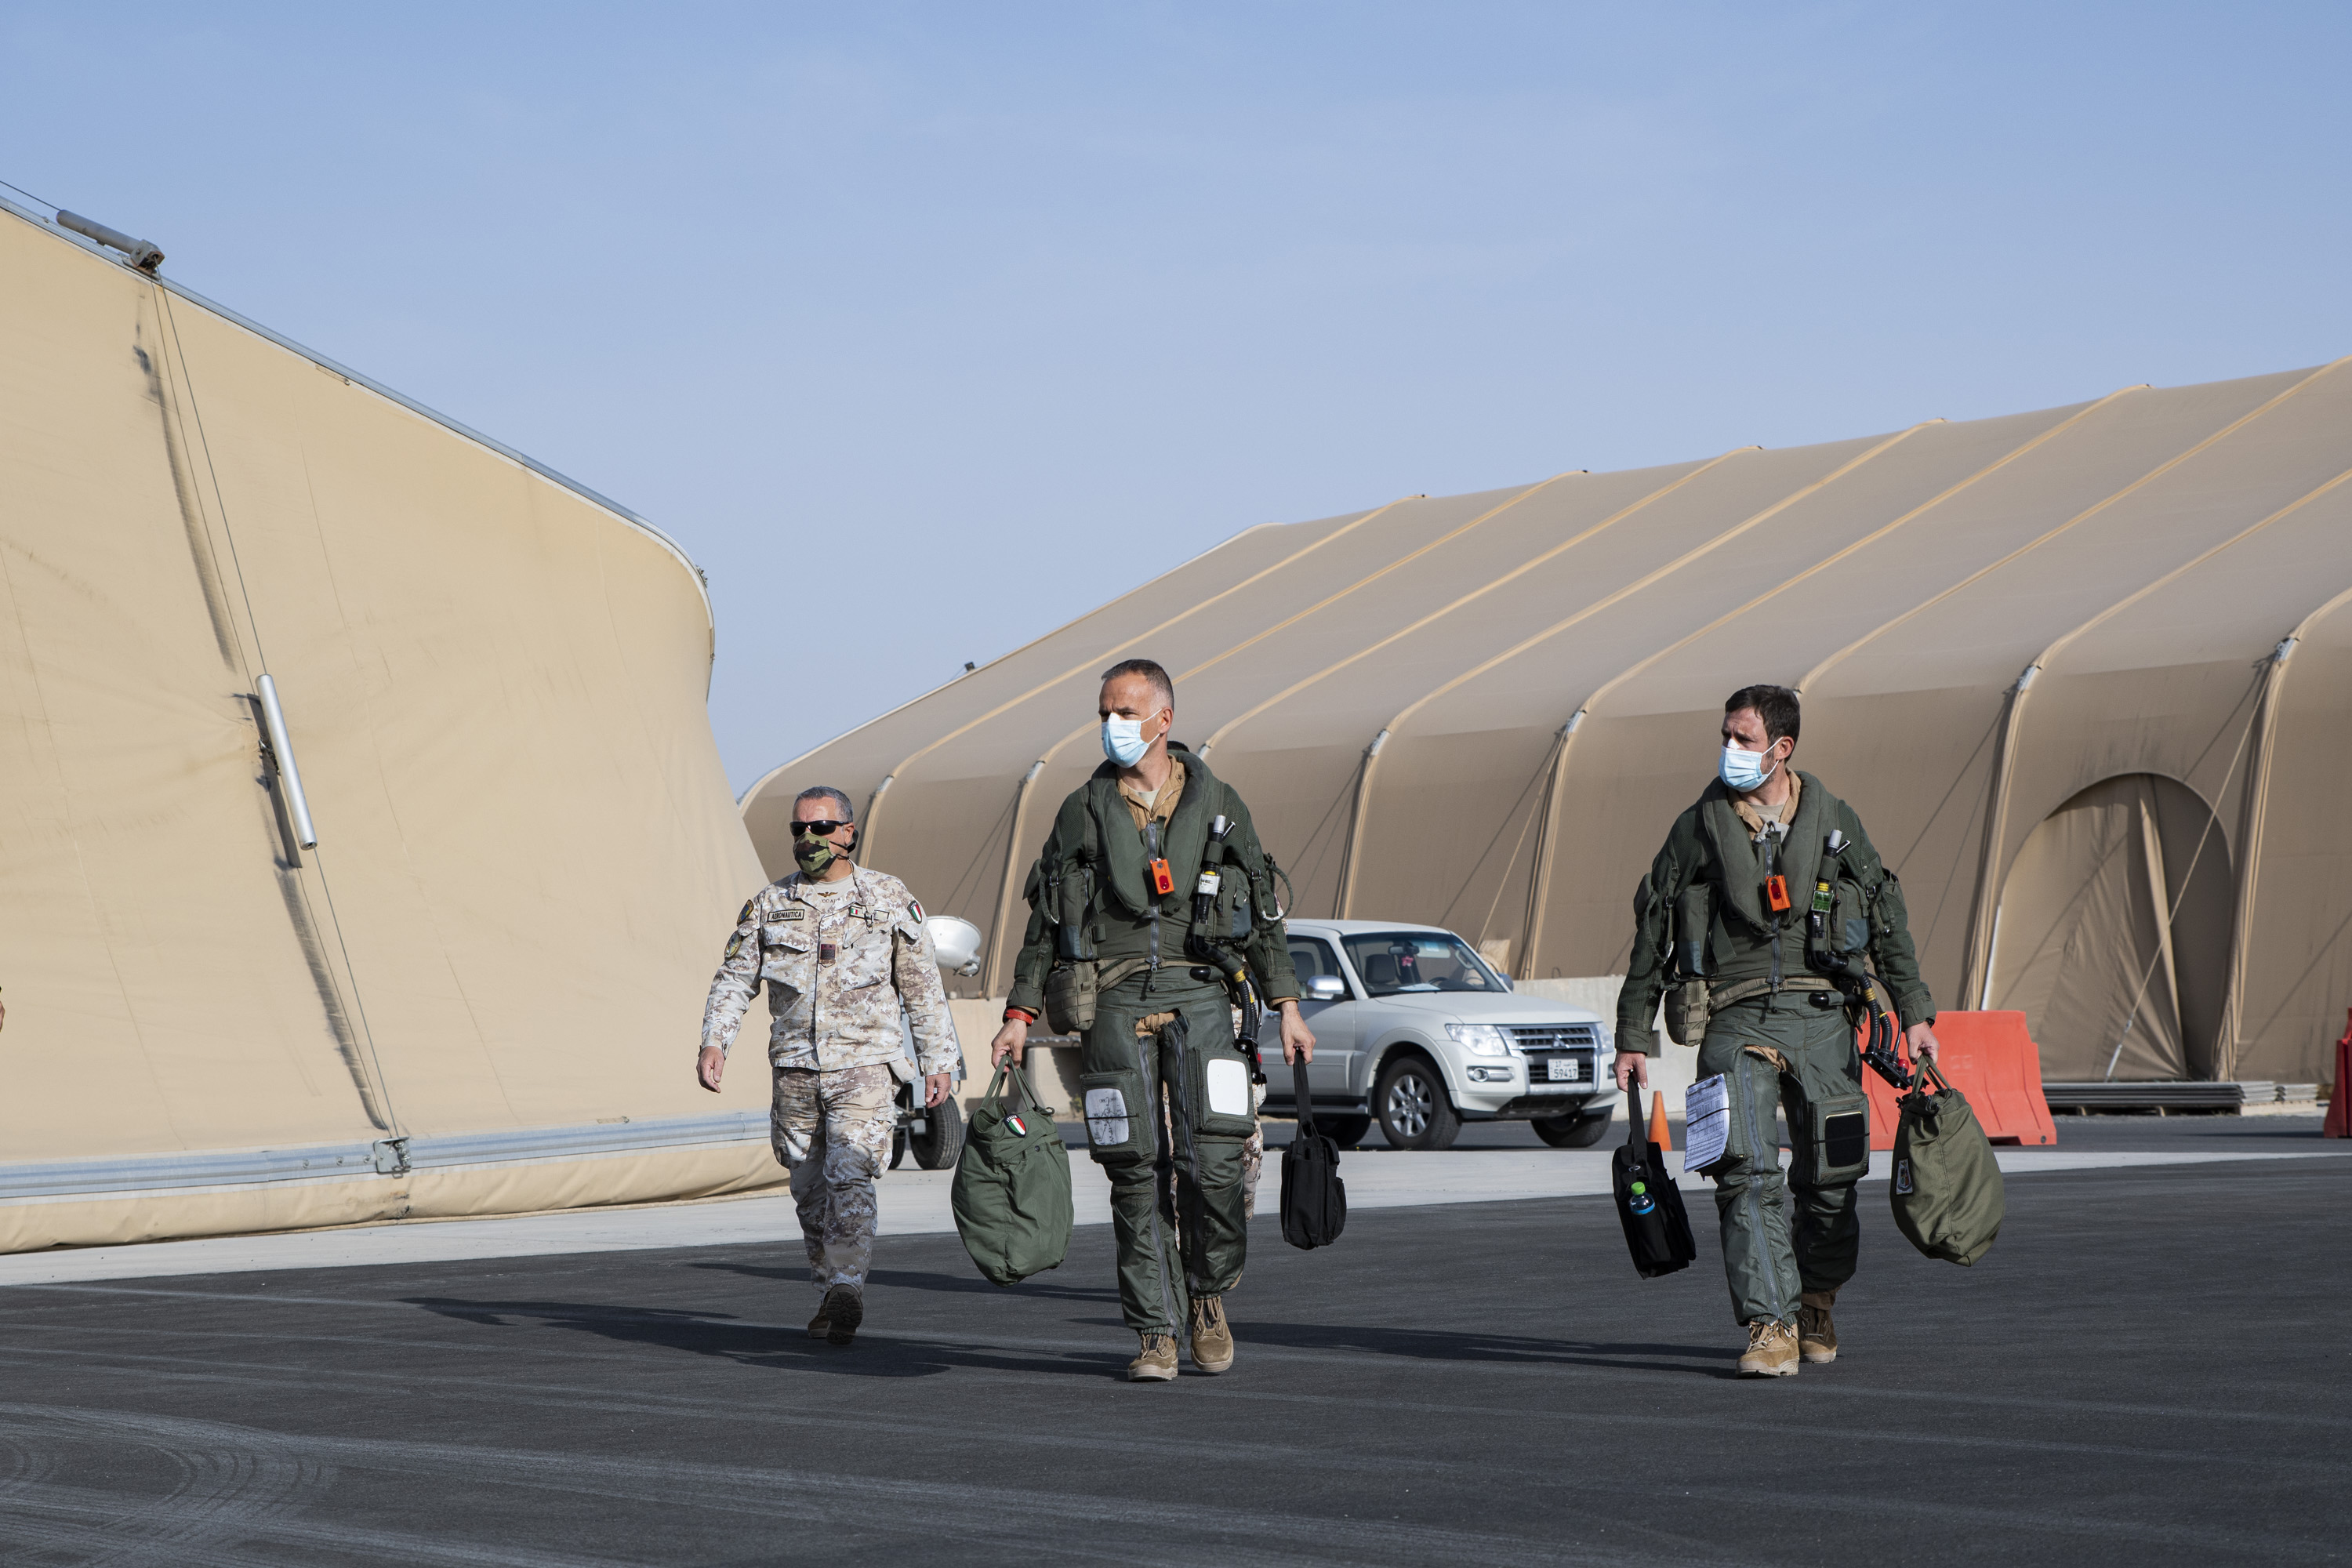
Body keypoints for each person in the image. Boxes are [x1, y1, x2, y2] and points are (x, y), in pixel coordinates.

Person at [991, 659, 1313, 1382]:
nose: (1113, 724)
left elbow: (1264, 913)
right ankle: (1152, 1333)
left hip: (1203, 994)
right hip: (1114, 999)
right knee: (1133, 1172)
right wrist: (1019, 1012)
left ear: (1164, 719)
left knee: (1216, 1165)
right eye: (1105, 712)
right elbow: (1045, 922)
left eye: (1127, 712)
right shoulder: (1081, 809)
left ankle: (1207, 1297)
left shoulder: (1220, 801)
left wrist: (1288, 1006)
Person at [1614, 684, 1939, 1377]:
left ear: (1782, 748)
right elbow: (1653, 927)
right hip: (1734, 1017)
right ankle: (1771, 1324)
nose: (1730, 749)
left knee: (1832, 1178)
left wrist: (1914, 1013)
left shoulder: (1836, 822)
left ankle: (1815, 1301)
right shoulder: (1697, 828)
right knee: (1746, 1171)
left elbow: (1886, 916)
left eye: (1745, 738)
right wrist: (1632, 1035)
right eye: (1726, 736)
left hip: (1824, 1017)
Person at [699, 786, 960, 1347]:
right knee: (810, 1191)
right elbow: (734, 980)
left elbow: (921, 985)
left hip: (865, 1066)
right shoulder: (770, 904)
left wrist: (938, 1060)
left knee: (851, 1173)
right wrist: (715, 1042)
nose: (808, 839)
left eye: (820, 828)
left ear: (848, 833)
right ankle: (829, 1293)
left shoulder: (887, 897)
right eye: (799, 829)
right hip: (795, 1069)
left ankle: (847, 1284)